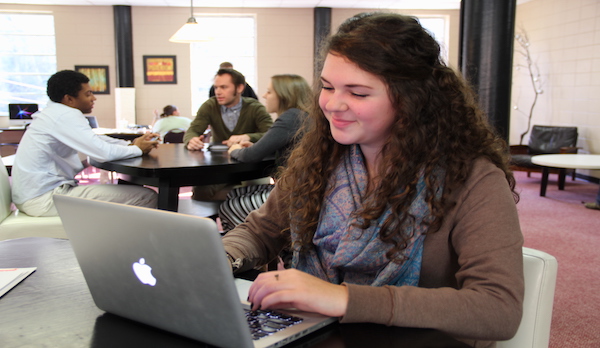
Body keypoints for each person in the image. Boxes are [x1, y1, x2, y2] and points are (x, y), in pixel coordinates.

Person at [221, 12, 524, 347]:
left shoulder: (473, 179)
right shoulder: (320, 159)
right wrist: (219, 256)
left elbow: (498, 308)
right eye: (327, 87)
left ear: (412, 100)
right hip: (321, 331)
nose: (333, 104)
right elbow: (260, 230)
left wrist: (344, 298)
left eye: (359, 93)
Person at [12, 70, 159, 217]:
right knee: (146, 196)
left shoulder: (54, 113)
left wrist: (131, 145)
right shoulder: (65, 114)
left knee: (131, 194)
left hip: (33, 195)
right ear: (69, 99)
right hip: (44, 200)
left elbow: (96, 140)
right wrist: (138, 149)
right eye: (88, 94)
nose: (93, 98)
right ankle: (122, 238)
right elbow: (103, 152)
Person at [220, 74, 311, 233]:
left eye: (269, 92)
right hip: (303, 190)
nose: (264, 96)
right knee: (234, 193)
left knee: (229, 205)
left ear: (284, 96)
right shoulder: (303, 116)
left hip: (293, 194)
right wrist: (255, 145)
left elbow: (251, 155)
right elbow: (272, 144)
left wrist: (235, 150)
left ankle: (255, 251)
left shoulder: (290, 117)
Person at [185, 68, 273, 200]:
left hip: (248, 166)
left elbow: (270, 134)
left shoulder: (254, 107)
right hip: (221, 166)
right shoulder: (210, 106)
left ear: (239, 88)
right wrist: (191, 139)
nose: (218, 92)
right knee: (199, 192)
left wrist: (248, 137)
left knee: (251, 192)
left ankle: (239, 201)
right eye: (216, 87)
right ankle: (237, 201)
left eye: (224, 87)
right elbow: (193, 130)